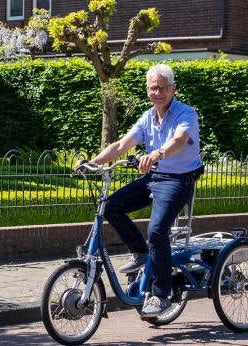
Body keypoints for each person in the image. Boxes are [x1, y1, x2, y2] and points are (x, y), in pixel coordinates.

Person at [78, 64, 203, 318]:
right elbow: (122, 144)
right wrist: (93, 163)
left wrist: (157, 154)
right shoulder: (147, 117)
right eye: (153, 88)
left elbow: (179, 141)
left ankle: (161, 293)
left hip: (179, 179)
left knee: (157, 231)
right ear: (147, 90)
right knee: (111, 206)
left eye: (162, 88)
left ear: (173, 89)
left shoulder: (186, 113)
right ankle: (140, 251)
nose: (157, 93)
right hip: (154, 176)